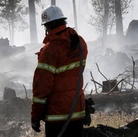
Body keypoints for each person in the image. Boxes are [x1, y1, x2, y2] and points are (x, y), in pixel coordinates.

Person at [31, 5, 88, 137]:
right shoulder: (79, 43)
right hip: (77, 110)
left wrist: (35, 116)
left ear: (47, 27)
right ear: (63, 21)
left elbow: (41, 88)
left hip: (56, 116)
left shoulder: (50, 51)